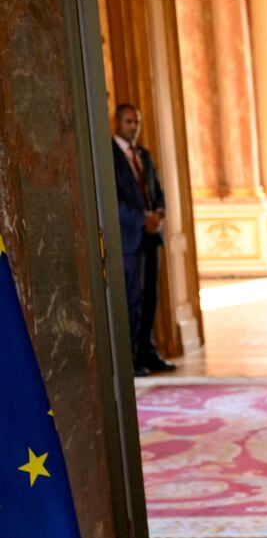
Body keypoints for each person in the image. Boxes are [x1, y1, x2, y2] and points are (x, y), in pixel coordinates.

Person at [111, 104, 176, 376]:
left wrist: (159, 213)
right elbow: (114, 201)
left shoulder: (144, 155)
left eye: (136, 121)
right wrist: (142, 219)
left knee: (151, 298)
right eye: (128, 122)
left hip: (152, 238)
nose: (133, 126)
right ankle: (132, 359)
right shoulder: (110, 157)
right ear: (117, 123)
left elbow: (158, 191)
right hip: (130, 239)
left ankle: (149, 353)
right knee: (132, 300)